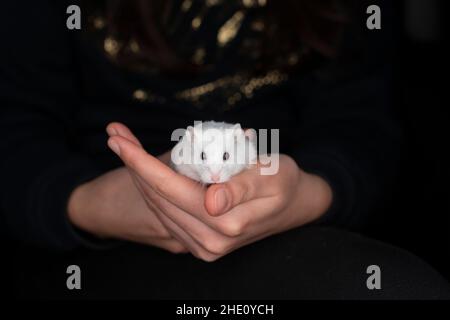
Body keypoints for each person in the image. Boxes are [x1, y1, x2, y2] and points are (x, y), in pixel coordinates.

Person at [1, 0, 449, 299]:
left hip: (293, 231)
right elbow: (16, 128)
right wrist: (90, 203)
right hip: (81, 248)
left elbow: (365, 122)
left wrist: (312, 191)